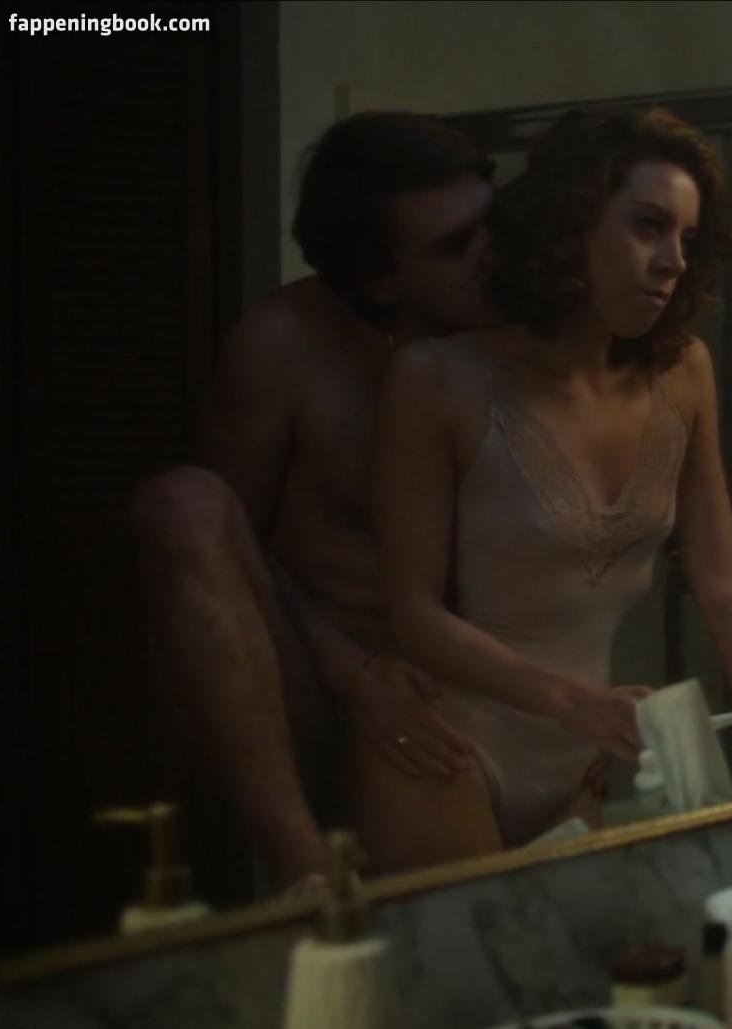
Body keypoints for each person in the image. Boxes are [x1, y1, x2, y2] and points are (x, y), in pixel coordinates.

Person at [359, 108, 732, 872]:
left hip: (581, 759)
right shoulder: (439, 379)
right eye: (648, 226)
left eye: (688, 239)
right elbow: (413, 613)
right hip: (446, 748)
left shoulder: (683, 373)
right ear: (570, 223)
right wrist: (574, 702)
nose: (673, 260)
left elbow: (725, 589)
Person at [129, 112, 500, 894]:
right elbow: (230, 549)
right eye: (455, 246)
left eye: (489, 225)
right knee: (182, 504)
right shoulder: (285, 345)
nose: (492, 256)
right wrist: (354, 673)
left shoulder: (516, 336)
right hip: (316, 680)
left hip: (464, 687)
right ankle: (303, 876)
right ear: (380, 278)